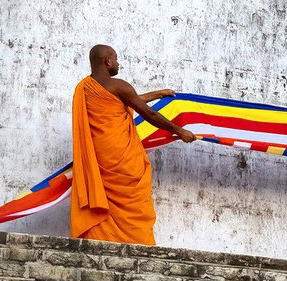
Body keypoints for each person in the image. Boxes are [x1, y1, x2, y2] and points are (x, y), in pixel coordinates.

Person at [71, 43, 198, 245]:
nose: (118, 64)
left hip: (100, 158)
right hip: (122, 159)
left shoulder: (85, 88)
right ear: (108, 61)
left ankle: (100, 240)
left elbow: (125, 100)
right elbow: (148, 114)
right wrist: (179, 131)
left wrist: (157, 94)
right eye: (116, 59)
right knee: (135, 199)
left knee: (104, 196)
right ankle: (139, 241)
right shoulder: (119, 85)